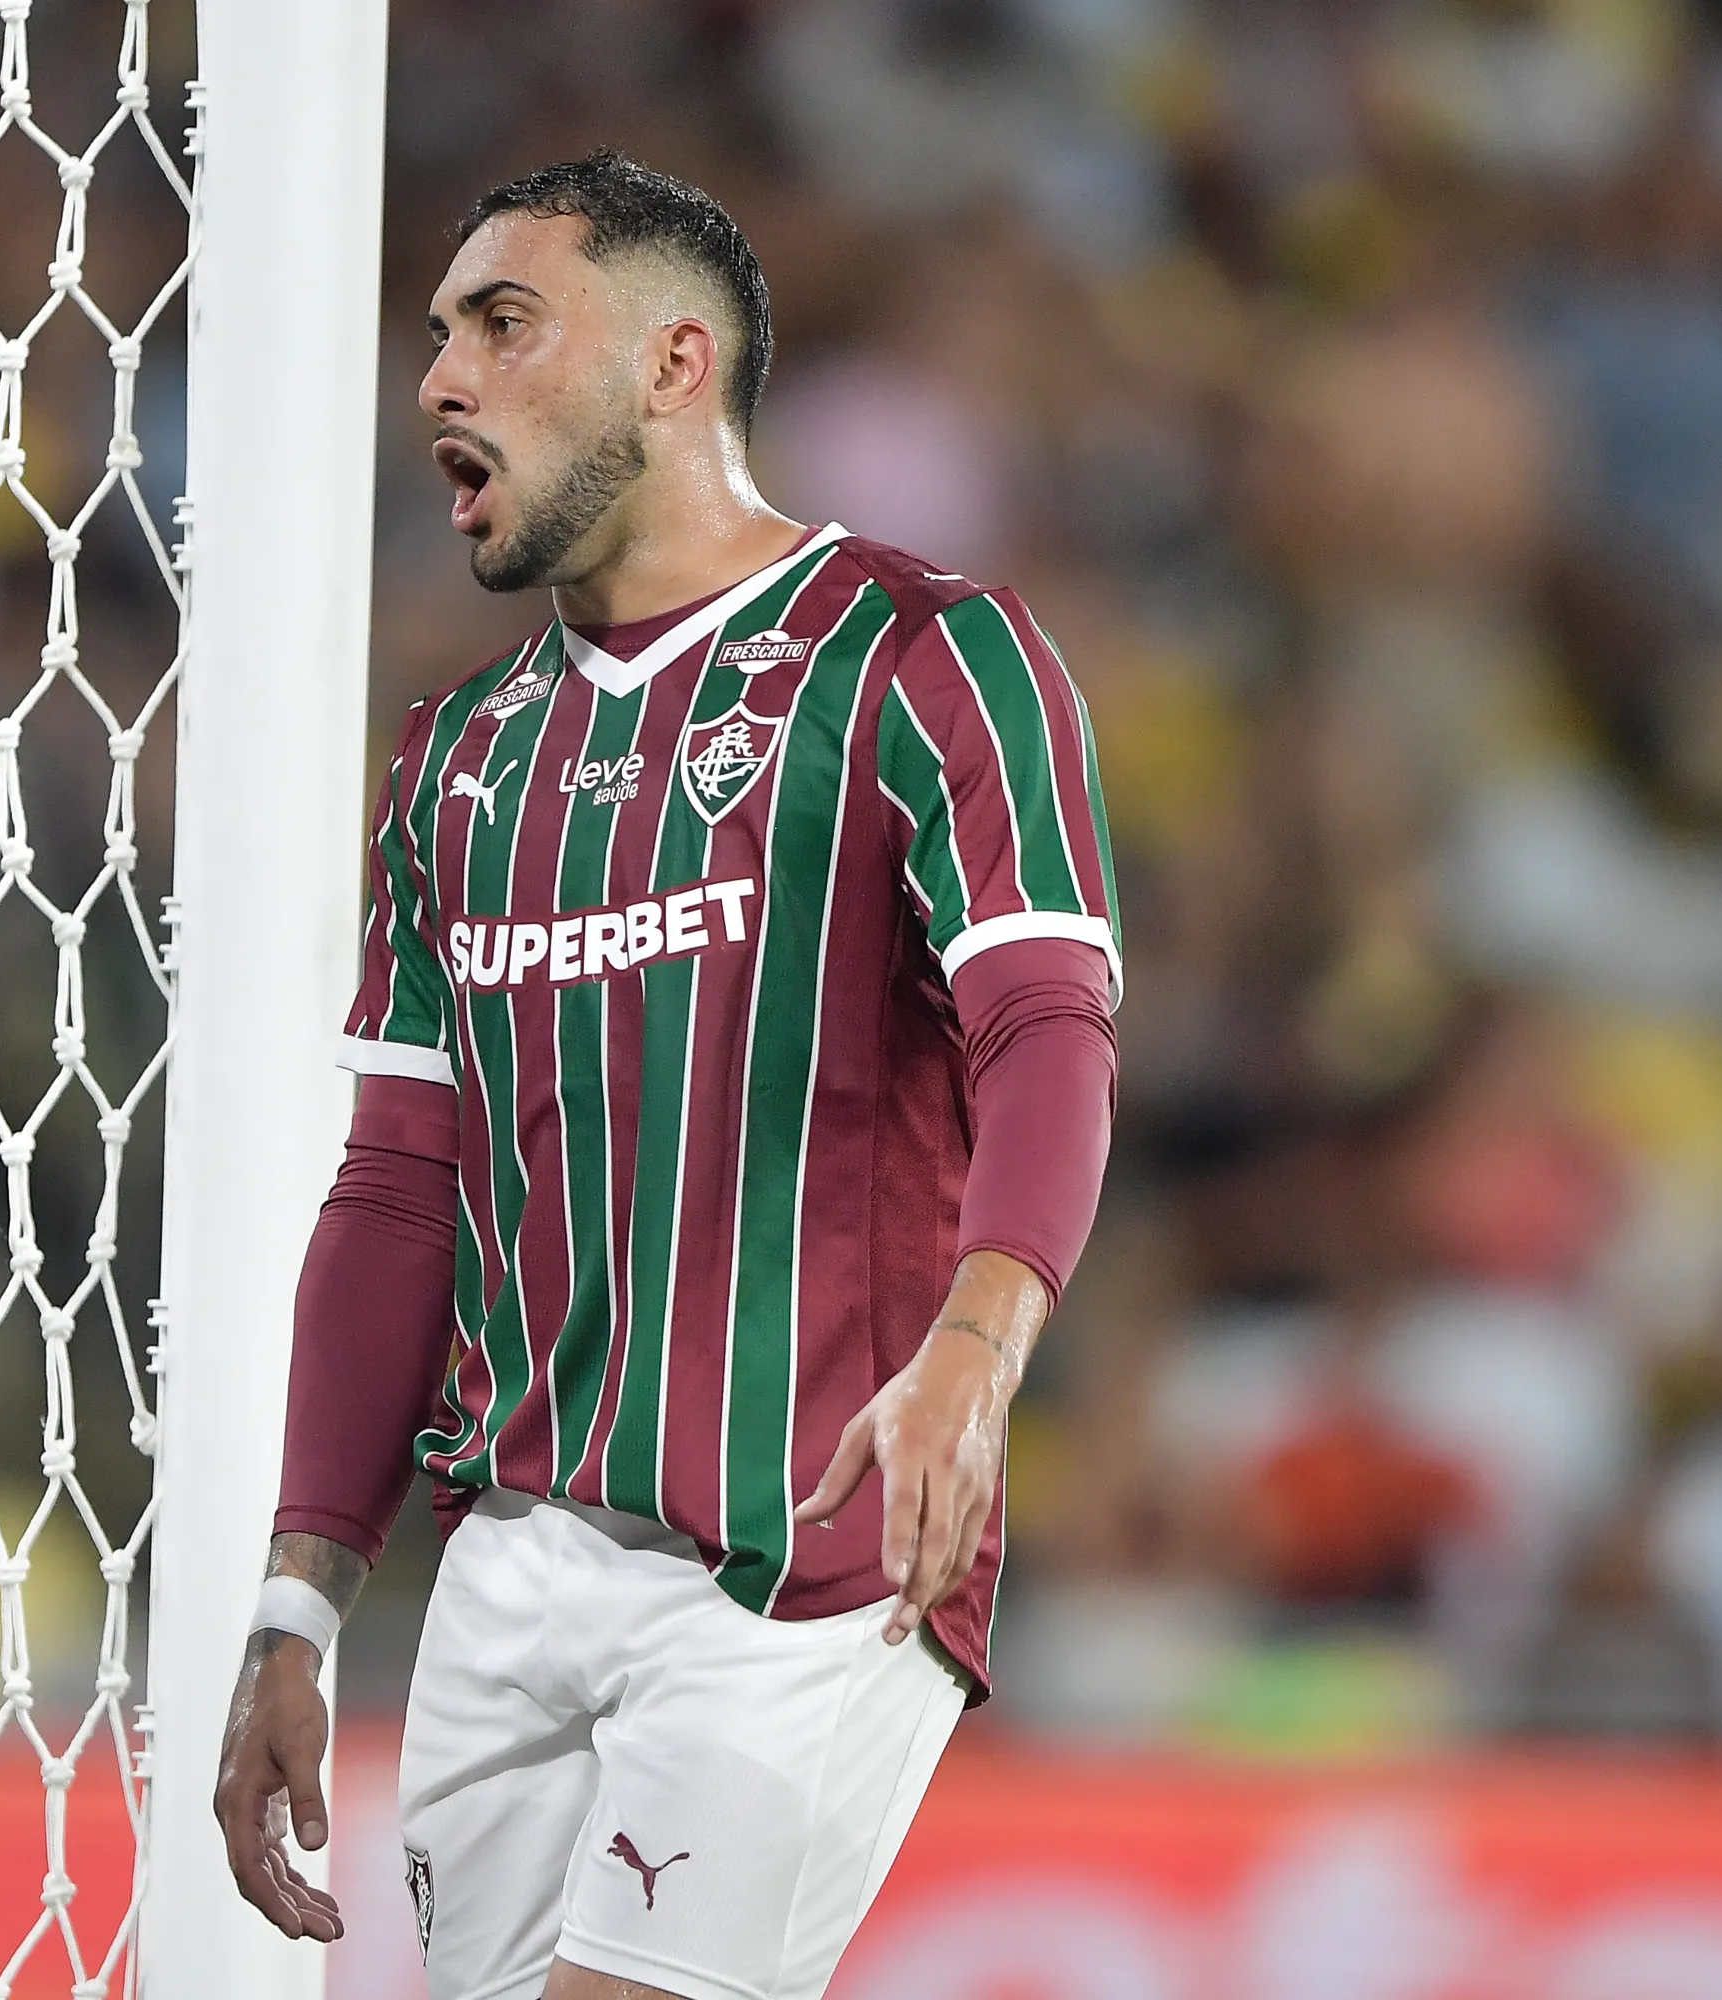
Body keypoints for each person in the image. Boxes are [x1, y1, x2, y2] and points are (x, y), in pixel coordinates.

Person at [209, 151, 1120, 2000]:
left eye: (504, 323)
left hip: (800, 1552)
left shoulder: (922, 658)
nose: (440, 378)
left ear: (674, 365)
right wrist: (299, 1596)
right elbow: (400, 1188)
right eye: (438, 333)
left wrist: (979, 1346)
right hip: (509, 1567)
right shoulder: (460, 761)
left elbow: (1047, 1026)